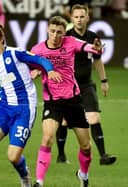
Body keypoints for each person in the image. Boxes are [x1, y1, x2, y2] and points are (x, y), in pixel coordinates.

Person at [0, 21, 62, 187]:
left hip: (24, 108)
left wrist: (49, 70)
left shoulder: (16, 53)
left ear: (1, 39)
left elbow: (40, 60)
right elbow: (4, 88)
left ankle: (25, 176)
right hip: (4, 107)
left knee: (13, 156)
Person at [30, 16, 103, 187]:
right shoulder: (38, 49)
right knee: (47, 138)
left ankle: (83, 175)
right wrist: (35, 72)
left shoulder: (70, 42)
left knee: (86, 146)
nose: (55, 36)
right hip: (52, 102)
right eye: (53, 31)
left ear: (64, 33)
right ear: (47, 30)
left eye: (59, 33)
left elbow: (88, 48)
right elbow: (29, 69)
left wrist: (97, 49)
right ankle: (39, 181)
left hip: (73, 101)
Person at [55, 4, 117, 165]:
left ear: (88, 18)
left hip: (87, 85)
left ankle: (103, 156)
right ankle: (61, 156)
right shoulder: (66, 37)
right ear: (71, 18)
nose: (79, 20)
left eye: (82, 16)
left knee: (94, 117)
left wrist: (104, 81)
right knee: (64, 122)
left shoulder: (93, 36)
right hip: (68, 86)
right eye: (76, 17)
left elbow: (97, 59)